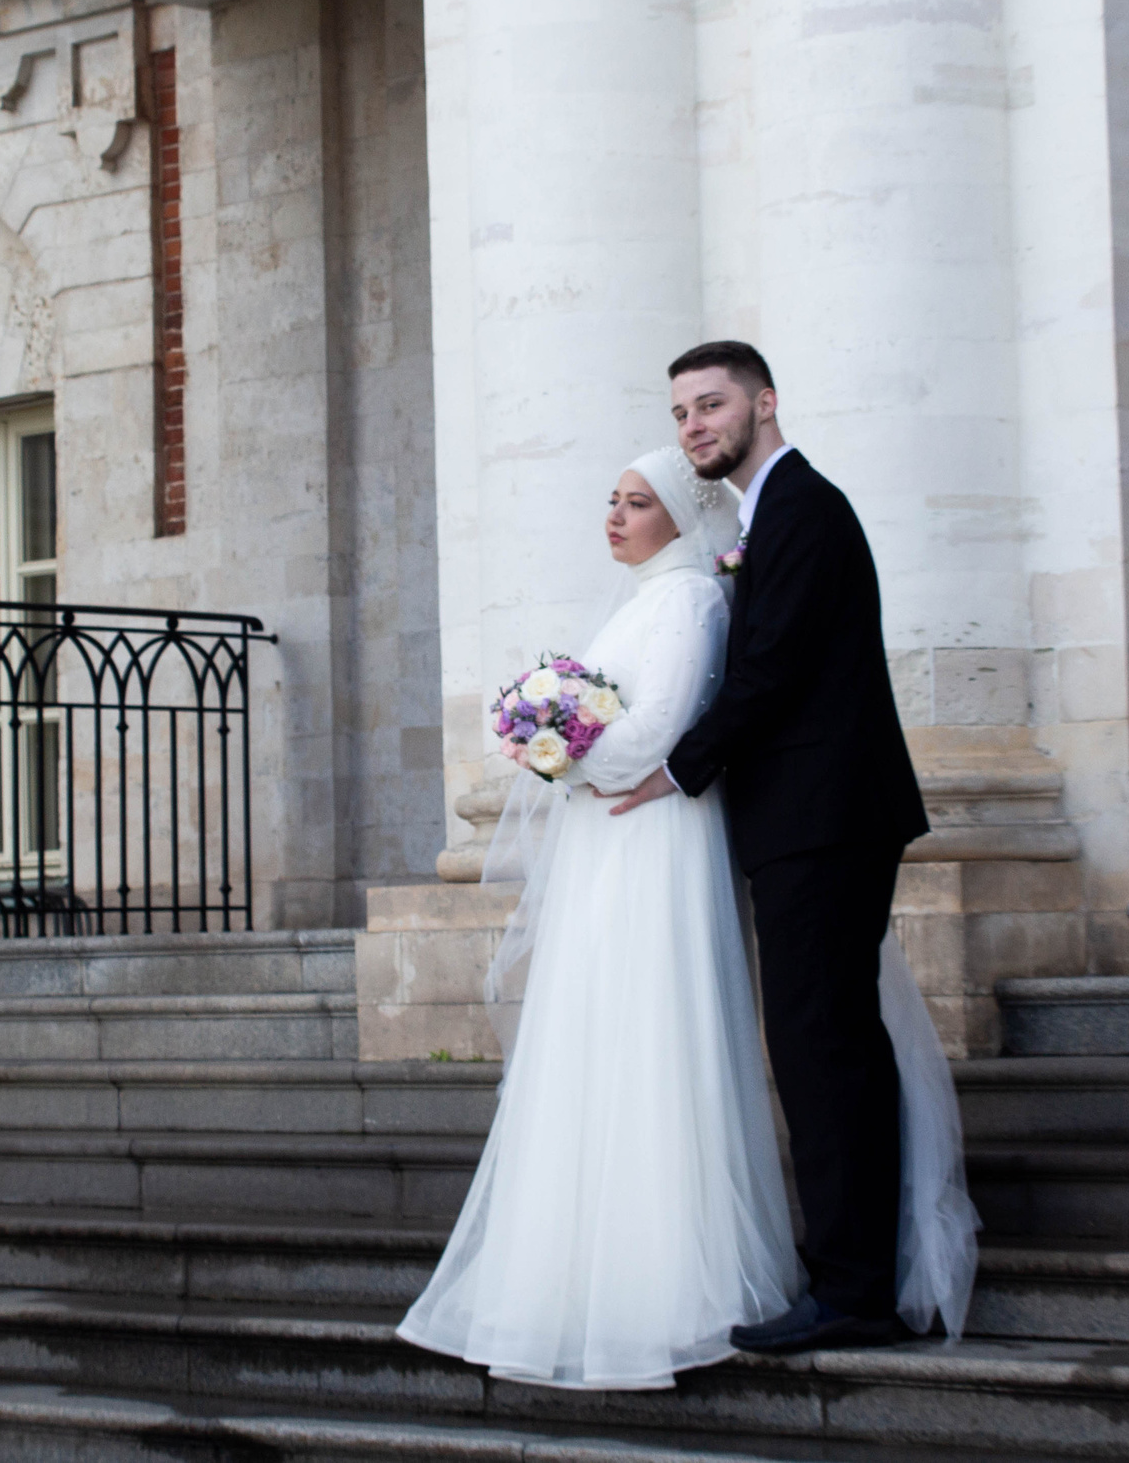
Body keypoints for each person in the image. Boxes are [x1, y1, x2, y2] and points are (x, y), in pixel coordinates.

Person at [395, 445, 801, 1389]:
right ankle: (572, 1276)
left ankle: (668, 1286)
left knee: (651, 1028)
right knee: (591, 1035)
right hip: (608, 838)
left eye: (635, 502)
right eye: (610, 501)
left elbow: (661, 728)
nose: (614, 517)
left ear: (679, 514)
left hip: (655, 835)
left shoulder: (695, 598)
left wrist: (564, 754)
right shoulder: (638, 600)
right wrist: (551, 743)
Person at [607, 338, 970, 1354]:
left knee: (821, 1050)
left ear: (764, 403)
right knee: (823, 1046)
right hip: (809, 820)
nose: (694, 428)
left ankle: (852, 1292)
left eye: (711, 405)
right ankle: (855, 1276)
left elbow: (770, 672)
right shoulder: (768, 514)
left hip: (825, 818)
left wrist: (676, 767)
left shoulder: (805, 507)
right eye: (682, 413)